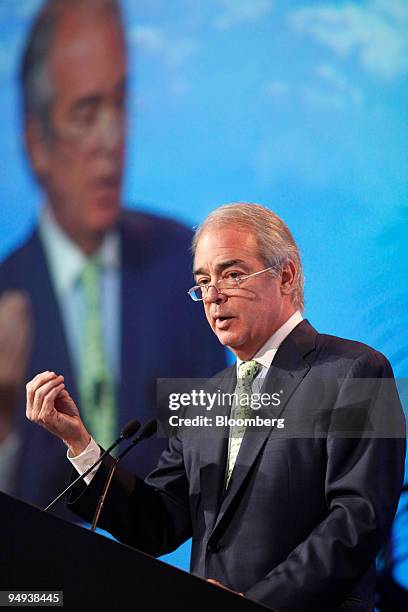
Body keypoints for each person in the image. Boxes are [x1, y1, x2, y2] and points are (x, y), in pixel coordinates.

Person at [26, 202, 406, 611]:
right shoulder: (204, 400)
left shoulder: (354, 371)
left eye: (232, 274)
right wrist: (80, 443)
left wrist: (256, 604)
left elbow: (357, 520)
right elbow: (157, 524)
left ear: (286, 275)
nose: (213, 295)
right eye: (203, 281)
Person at [0, 0, 225, 514]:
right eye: (86, 113)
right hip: (41, 585)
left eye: (119, 106)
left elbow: (219, 453)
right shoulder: (4, 296)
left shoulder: (185, 263)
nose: (110, 140)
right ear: (37, 142)